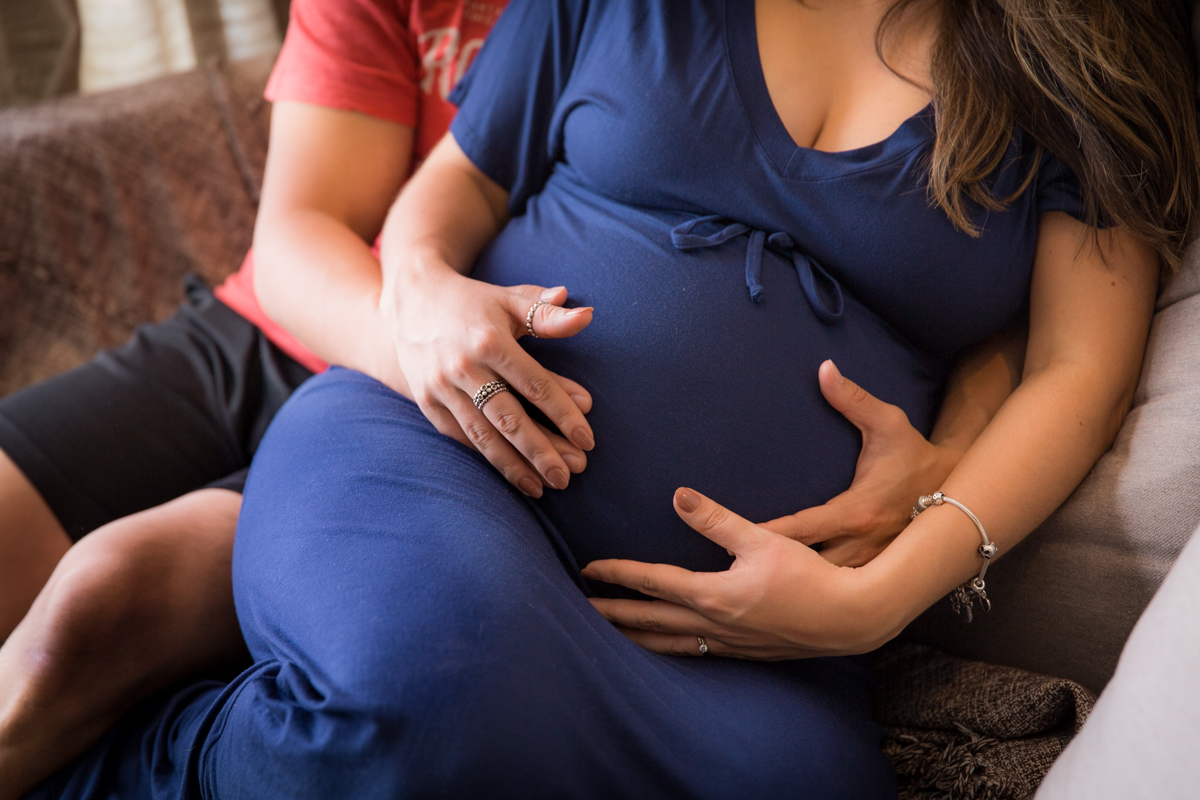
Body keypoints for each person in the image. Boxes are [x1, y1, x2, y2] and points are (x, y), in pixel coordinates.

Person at [12, 0, 1200, 797]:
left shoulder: (1080, 66)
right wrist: (421, 291)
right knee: (429, 697)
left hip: (751, 647)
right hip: (443, 459)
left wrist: (873, 601)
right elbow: (448, 194)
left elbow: (1075, 375)